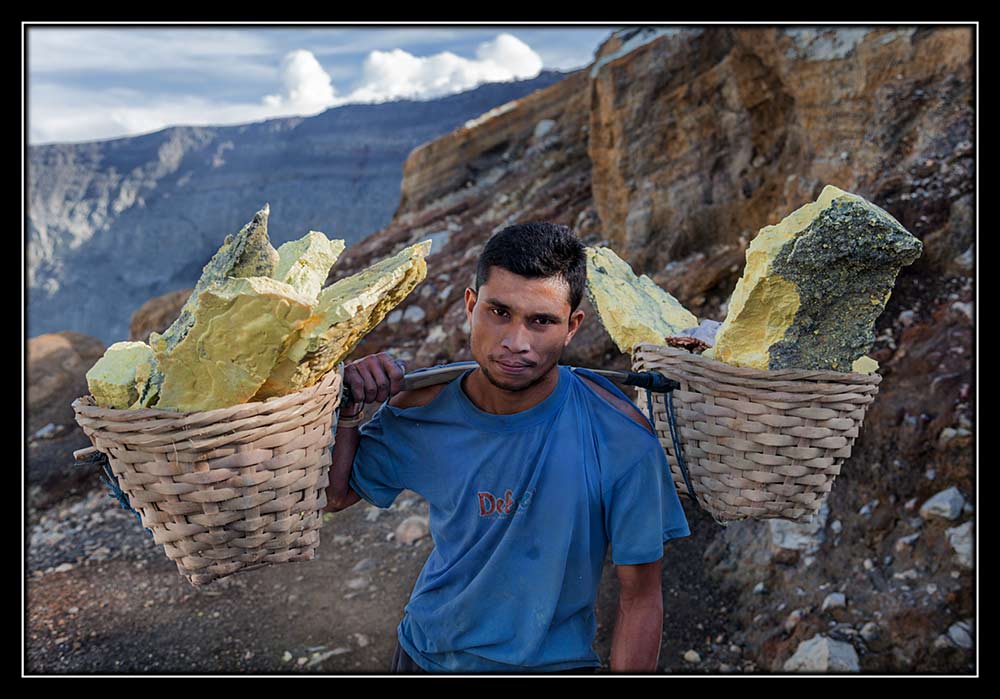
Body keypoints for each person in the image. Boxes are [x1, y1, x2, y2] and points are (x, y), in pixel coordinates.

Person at [323, 222, 690, 674]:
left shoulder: (620, 438)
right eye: (499, 312)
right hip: (425, 656)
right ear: (471, 305)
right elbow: (336, 495)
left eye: (541, 321)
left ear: (572, 326)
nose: (517, 343)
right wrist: (347, 408)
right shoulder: (424, 408)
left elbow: (640, 597)